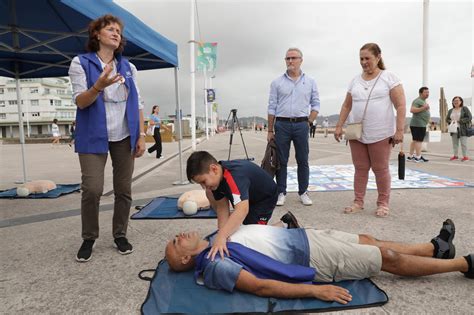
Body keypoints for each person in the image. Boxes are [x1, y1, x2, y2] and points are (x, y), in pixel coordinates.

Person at [165, 219, 473, 304]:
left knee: (368, 240)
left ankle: (435, 248)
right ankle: (464, 264)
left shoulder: (214, 239)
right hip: (313, 256)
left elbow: (252, 240)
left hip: (304, 237)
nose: (179, 234)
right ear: (184, 257)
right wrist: (315, 291)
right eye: (176, 241)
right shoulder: (215, 264)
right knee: (385, 258)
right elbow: (259, 287)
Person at [68, 14, 146, 262]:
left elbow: (139, 104)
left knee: (124, 189)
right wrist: (98, 86)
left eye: (119, 31)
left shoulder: (129, 67)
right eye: (110, 29)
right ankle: (89, 237)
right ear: (97, 34)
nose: (116, 33)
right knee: (92, 189)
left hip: (125, 136)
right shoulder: (80, 63)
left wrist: (142, 136)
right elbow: (81, 101)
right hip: (93, 135)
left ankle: (120, 234)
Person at [334, 43, 406, 218]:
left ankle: (383, 203)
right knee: (360, 168)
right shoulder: (355, 81)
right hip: (356, 133)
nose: (364, 62)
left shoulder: (389, 77)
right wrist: (339, 126)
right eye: (361, 59)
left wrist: (399, 130)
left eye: (367, 58)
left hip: (380, 132)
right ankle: (358, 201)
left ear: (378, 57)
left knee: (380, 169)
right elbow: (346, 105)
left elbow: (401, 105)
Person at [186, 151, 298, 261]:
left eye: (204, 182)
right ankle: (285, 223)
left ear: (214, 169)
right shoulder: (217, 180)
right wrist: (222, 234)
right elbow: (222, 208)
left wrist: (222, 237)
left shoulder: (232, 176)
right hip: (250, 196)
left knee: (252, 235)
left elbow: (242, 210)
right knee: (234, 233)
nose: (203, 187)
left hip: (264, 198)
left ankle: (285, 224)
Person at [267, 47, 320, 206]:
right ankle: (281, 192)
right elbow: (271, 107)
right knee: (281, 160)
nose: (290, 61)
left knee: (302, 160)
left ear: (300, 60)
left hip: (301, 124)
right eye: (287, 58)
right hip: (282, 124)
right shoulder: (277, 82)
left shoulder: (310, 82)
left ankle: (303, 191)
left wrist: (309, 121)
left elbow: (316, 104)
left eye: (293, 58)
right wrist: (270, 129)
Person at [407, 87, 430, 163]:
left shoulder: (423, 101)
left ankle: (410, 156)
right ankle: (418, 157)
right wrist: (424, 108)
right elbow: (412, 110)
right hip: (418, 124)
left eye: (428, 92)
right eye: (425, 92)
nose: (427, 94)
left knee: (415, 140)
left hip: (419, 124)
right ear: (420, 93)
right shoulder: (417, 101)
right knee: (419, 141)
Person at [446, 96, 472, 162]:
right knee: (455, 143)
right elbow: (447, 119)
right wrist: (451, 122)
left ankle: (465, 157)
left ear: (461, 102)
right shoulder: (450, 110)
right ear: (452, 102)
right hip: (453, 129)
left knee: (464, 143)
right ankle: (455, 156)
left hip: (462, 129)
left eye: (457, 100)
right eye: (454, 101)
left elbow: (469, 117)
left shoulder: (464, 108)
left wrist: (460, 121)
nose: (456, 102)